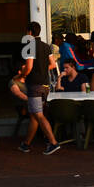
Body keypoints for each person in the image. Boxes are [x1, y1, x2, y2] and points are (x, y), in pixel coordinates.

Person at [18, 21, 62, 155]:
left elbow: (29, 66)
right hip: (45, 85)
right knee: (34, 115)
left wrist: (23, 76)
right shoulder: (45, 46)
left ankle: (53, 143)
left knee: (38, 115)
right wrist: (42, 70)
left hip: (35, 85)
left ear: (30, 32)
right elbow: (53, 65)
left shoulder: (29, 46)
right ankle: (26, 144)